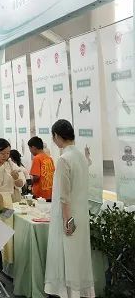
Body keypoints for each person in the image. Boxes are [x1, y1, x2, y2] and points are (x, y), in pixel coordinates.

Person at [44, 120, 95, 298]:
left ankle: (68, 293)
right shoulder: (81, 157)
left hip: (68, 215)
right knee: (78, 256)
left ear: (57, 136)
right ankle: (78, 292)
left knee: (65, 255)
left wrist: (67, 220)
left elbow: (64, 196)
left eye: (53, 137)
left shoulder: (64, 159)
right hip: (81, 213)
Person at [28, 136, 55, 201]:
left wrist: (31, 182)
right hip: (50, 193)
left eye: (30, 149)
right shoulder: (49, 158)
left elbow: (36, 176)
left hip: (40, 194)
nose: (30, 151)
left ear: (33, 147)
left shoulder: (37, 158)